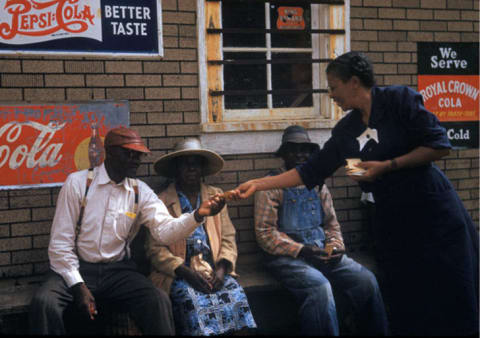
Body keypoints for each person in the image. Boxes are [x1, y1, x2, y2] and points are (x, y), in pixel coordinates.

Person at [235, 51, 479, 336]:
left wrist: (387, 166)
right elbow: (311, 170)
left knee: (450, 290)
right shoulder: (346, 130)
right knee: (408, 297)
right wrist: (257, 184)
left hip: (432, 212)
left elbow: (440, 146)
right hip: (394, 218)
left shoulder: (399, 100)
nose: (331, 94)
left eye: (333, 87)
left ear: (353, 82)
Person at [28, 127, 226, 335]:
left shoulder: (140, 191)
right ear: (110, 152)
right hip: (77, 266)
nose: (136, 160)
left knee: (157, 301)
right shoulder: (78, 184)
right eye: (129, 153)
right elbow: (60, 245)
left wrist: (197, 215)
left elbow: (165, 231)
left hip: (118, 272)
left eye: (138, 154)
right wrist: (78, 286)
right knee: (44, 304)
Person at [254, 125, 389, 336]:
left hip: (321, 253)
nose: (300, 155)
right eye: (293, 150)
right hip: (286, 258)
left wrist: (335, 248)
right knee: (319, 287)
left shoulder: (318, 185)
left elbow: (331, 225)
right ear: (284, 154)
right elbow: (265, 234)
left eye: (305, 150)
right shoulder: (271, 185)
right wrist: (303, 250)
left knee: (366, 280)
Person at [146, 137, 257, 336]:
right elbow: (155, 249)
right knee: (193, 303)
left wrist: (222, 270)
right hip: (179, 274)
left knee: (236, 297)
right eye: (185, 164)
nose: (191, 168)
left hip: (214, 270)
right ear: (176, 169)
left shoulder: (216, 196)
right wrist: (185, 272)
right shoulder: (161, 200)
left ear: (202, 168)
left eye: (195, 163)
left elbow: (228, 237)